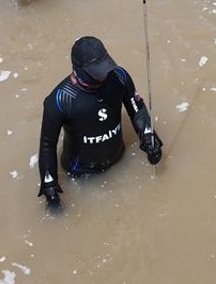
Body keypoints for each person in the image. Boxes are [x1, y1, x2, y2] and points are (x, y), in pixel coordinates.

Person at [37, 36, 163, 208]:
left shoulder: (119, 78)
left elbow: (137, 109)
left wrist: (148, 135)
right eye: (98, 70)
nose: (104, 74)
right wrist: (50, 189)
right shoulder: (60, 100)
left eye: (105, 66)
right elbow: (47, 145)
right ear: (79, 69)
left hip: (120, 160)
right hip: (81, 175)